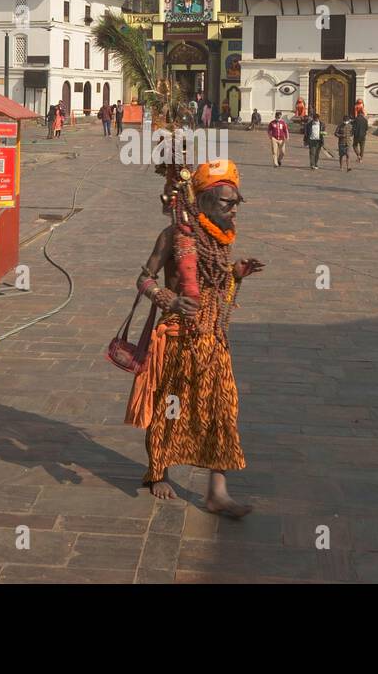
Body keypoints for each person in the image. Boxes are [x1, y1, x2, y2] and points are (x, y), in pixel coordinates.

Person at [127, 159, 263, 517]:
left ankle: (217, 492)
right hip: (178, 338)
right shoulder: (174, 237)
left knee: (222, 408)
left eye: (235, 203)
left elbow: (219, 287)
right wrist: (166, 298)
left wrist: (236, 274)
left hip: (213, 337)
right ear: (202, 202)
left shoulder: (221, 241)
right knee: (171, 407)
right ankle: (158, 472)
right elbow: (144, 278)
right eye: (226, 203)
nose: (233, 209)